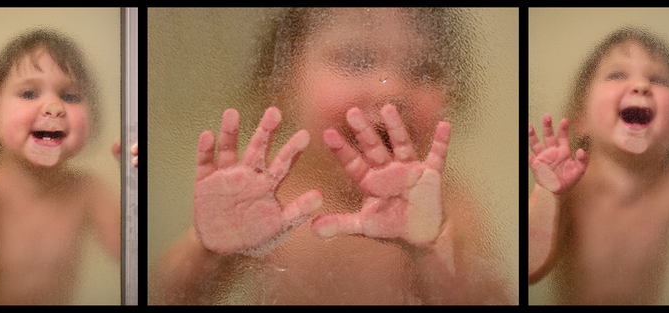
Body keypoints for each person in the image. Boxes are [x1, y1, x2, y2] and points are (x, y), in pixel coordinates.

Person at [150, 8, 514, 304]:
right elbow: (168, 296)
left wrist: (433, 250)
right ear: (282, 81)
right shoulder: (264, 198)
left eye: (424, 68)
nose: (391, 88)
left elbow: (491, 300)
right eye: (356, 60)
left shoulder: (445, 203)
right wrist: (206, 250)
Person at [528, 27, 669, 304]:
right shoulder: (573, 187)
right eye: (617, 74)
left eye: (657, 78)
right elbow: (529, 271)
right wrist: (549, 192)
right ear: (582, 119)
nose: (641, 85)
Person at [0, 29, 136, 304]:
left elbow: (135, 260)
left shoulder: (87, 191)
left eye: (70, 97)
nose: (54, 106)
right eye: (28, 93)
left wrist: (134, 185)